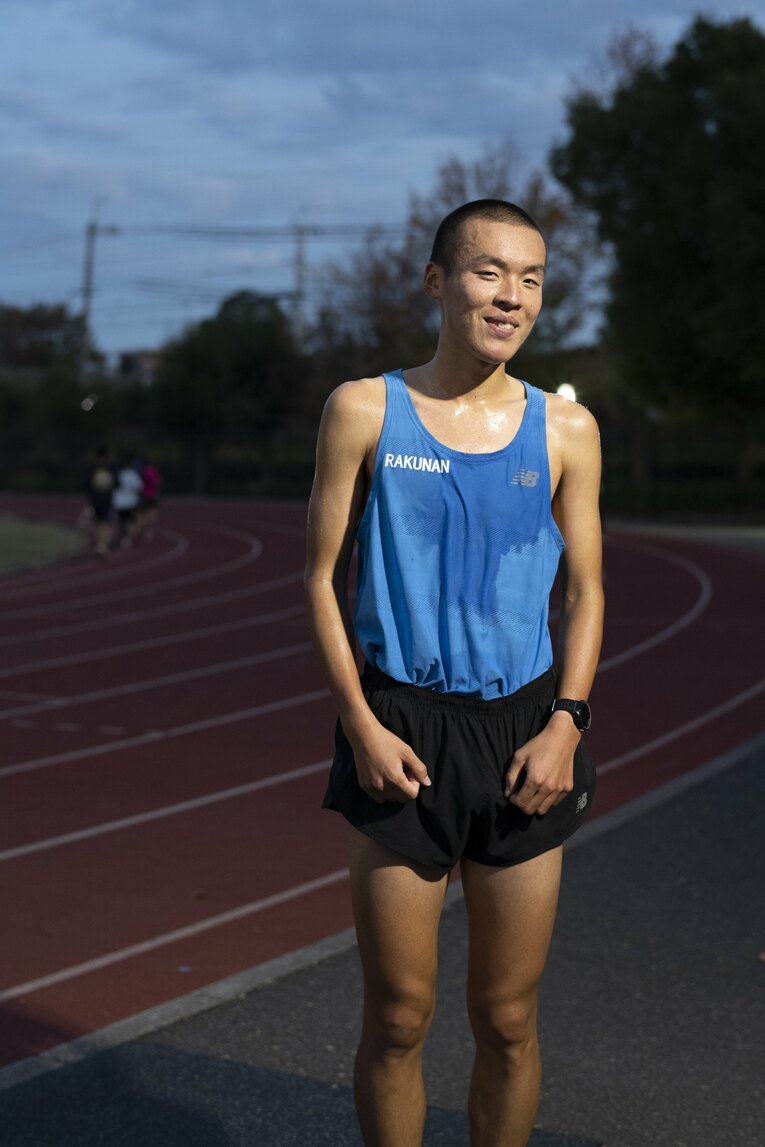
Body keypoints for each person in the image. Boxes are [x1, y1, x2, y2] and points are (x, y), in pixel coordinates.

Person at [304, 199, 604, 1147]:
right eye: (488, 272)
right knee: (397, 1018)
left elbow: (586, 594)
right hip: (402, 730)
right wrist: (359, 723)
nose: (510, 295)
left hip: (525, 735)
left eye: (530, 279)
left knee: (507, 1020)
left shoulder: (566, 430)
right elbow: (320, 576)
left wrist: (567, 723)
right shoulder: (363, 408)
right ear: (438, 283)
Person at [83, 447, 115, 557]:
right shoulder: (108, 469)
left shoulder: (97, 469)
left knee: (103, 523)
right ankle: (102, 545)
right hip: (99, 501)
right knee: (100, 523)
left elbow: (87, 485)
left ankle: (101, 546)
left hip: (102, 501)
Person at [111, 456, 144, 548]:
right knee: (130, 521)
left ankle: (121, 537)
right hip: (130, 503)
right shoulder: (133, 475)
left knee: (121, 521)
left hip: (119, 503)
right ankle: (126, 538)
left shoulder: (118, 474)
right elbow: (139, 487)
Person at [136, 454, 163, 542]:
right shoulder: (153, 471)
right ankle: (147, 532)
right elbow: (158, 482)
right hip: (152, 495)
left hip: (144, 495)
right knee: (152, 513)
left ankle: (141, 530)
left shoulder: (142, 471)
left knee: (143, 514)